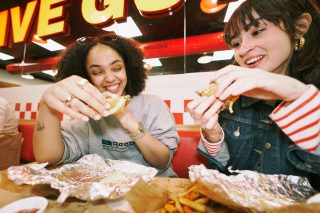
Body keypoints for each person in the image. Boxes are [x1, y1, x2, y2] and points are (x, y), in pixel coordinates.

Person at [187, 0, 320, 189]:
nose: (242, 50)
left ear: (299, 27)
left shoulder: (313, 97)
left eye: (257, 31)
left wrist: (300, 97)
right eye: (236, 43)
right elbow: (221, 173)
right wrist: (213, 135)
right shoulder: (232, 100)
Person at [33, 34, 179, 177]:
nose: (109, 78)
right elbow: (47, 157)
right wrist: (47, 106)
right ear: (87, 77)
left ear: (128, 69)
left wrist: (126, 117)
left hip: (156, 189)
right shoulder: (86, 113)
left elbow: (162, 162)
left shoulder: (153, 104)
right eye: (97, 72)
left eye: (116, 68)